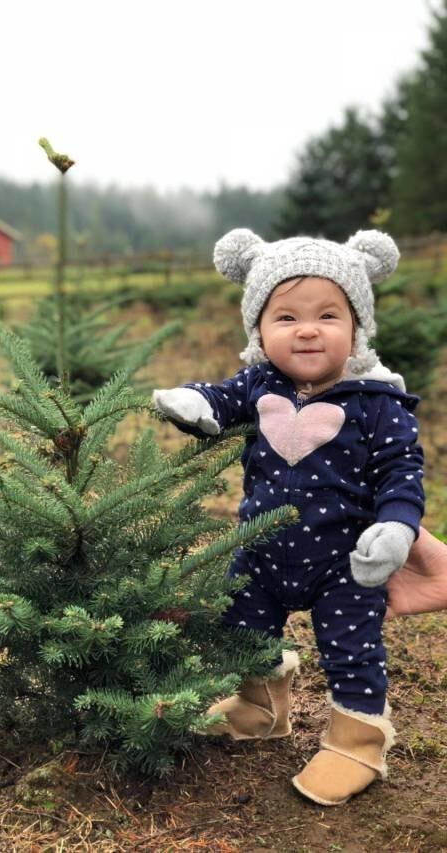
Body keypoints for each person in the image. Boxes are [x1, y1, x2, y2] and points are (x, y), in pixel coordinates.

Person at [152, 228, 429, 807]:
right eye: (285, 317)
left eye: (328, 314)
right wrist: (196, 403)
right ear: (258, 331)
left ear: (357, 328)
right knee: (242, 628)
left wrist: (397, 527)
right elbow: (221, 399)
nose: (307, 329)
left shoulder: (379, 403)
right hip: (261, 550)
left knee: (350, 650)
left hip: (346, 564)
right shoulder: (259, 384)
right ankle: (258, 706)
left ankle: (357, 740)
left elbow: (403, 472)